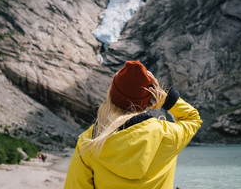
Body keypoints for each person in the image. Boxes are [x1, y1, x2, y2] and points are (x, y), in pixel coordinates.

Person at [64, 61, 202, 189]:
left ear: (111, 96)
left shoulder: (90, 141)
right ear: (148, 101)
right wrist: (166, 98)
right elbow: (193, 118)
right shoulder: (165, 134)